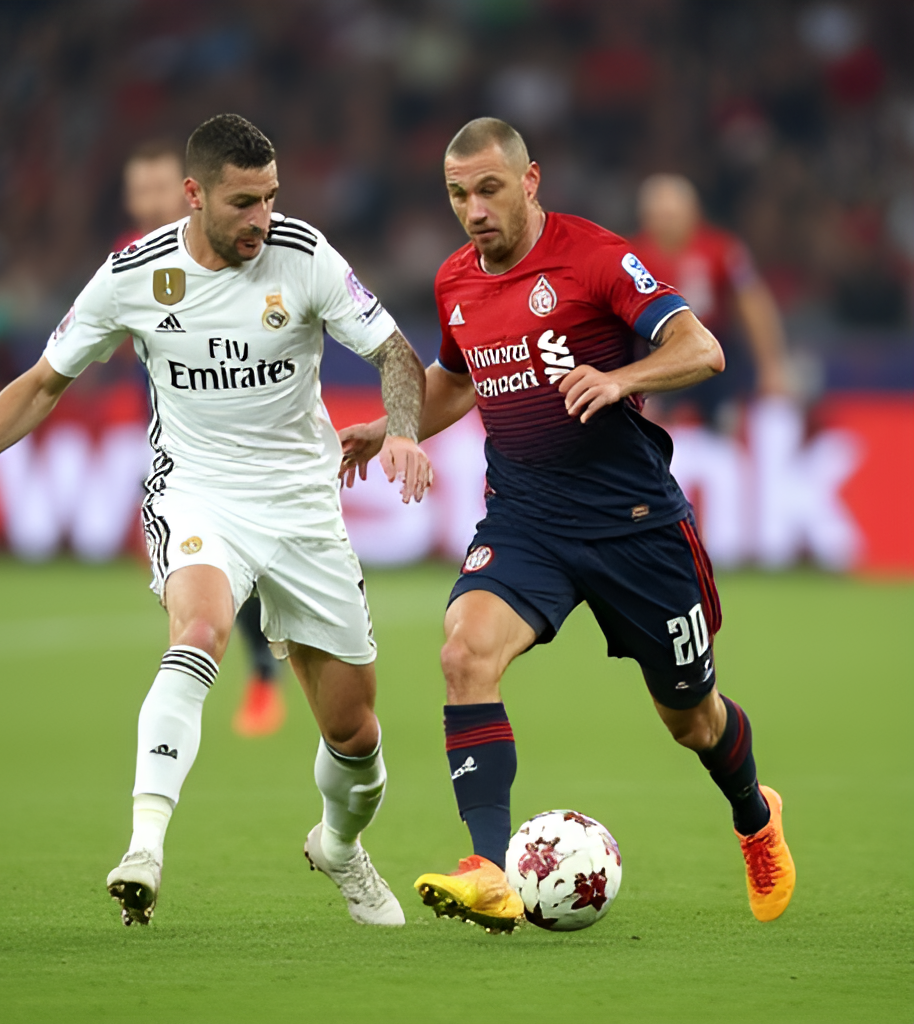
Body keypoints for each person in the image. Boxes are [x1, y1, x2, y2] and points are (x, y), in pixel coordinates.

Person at [0, 113, 433, 929]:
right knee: (201, 632)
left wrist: (401, 428)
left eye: (272, 198)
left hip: (302, 505)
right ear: (194, 195)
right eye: (245, 202)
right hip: (197, 494)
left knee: (354, 731)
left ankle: (338, 845)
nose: (263, 218)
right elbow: (45, 382)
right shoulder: (132, 276)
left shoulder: (304, 253)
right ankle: (145, 844)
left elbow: (396, 351)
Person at [339, 118, 795, 931]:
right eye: (457, 194)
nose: (474, 209)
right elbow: (455, 378)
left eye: (488, 189)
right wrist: (393, 426)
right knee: (462, 650)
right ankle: (485, 867)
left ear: (530, 180)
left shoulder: (596, 258)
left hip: (635, 526)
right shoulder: (455, 281)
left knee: (693, 718)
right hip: (527, 519)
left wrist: (622, 379)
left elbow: (703, 349)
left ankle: (755, 815)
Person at [118, 139, 287, 737]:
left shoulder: (246, 251)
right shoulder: (131, 263)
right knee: (204, 568)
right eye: (137, 192)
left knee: (247, 563)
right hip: (178, 439)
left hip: (256, 447)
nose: (147, 203)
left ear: (188, 190)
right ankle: (255, 670)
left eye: (157, 189)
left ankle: (270, 663)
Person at [630, 173, 791, 425]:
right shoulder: (631, 257)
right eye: (659, 215)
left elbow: (752, 302)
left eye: (673, 215)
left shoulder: (721, 249)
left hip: (715, 352)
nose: (666, 223)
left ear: (693, 213)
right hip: (657, 355)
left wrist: (770, 364)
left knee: (728, 425)